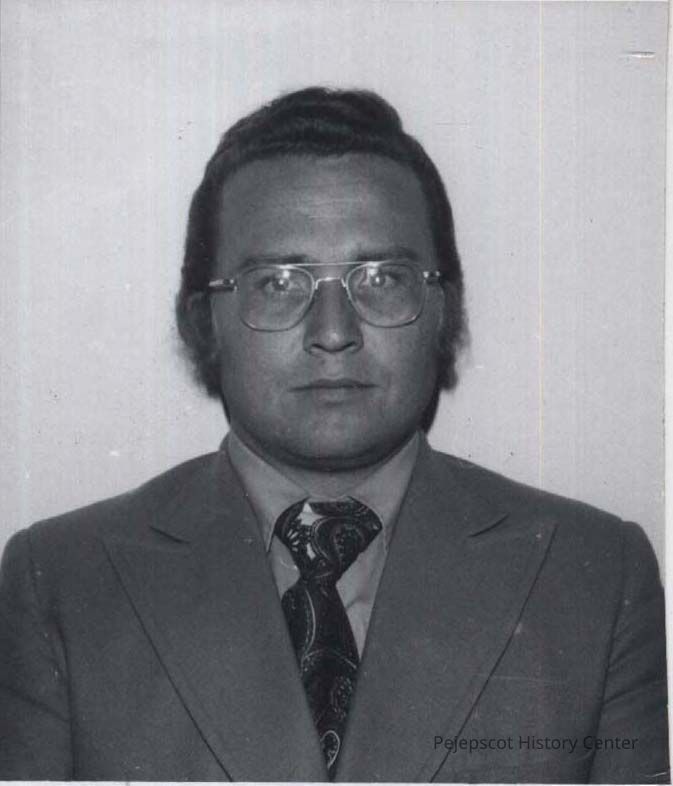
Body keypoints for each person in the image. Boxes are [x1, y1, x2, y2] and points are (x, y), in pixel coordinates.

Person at [0, 87, 667, 783]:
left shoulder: (591, 577)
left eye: (381, 277)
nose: (333, 332)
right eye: (277, 282)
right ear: (201, 320)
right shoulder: (62, 583)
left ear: (444, 308)